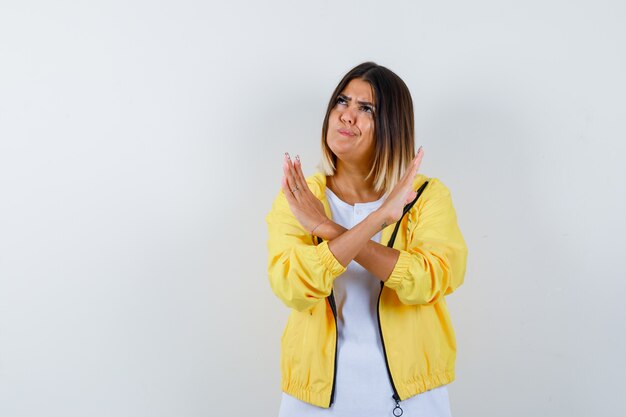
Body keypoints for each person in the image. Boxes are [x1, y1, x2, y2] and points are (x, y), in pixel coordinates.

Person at [265, 62, 468, 417]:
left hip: (411, 399)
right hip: (313, 401)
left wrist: (329, 230)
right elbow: (292, 287)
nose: (346, 116)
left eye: (366, 109)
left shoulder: (425, 197)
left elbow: (429, 280)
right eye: (341, 102)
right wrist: (375, 220)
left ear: (391, 126)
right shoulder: (301, 198)